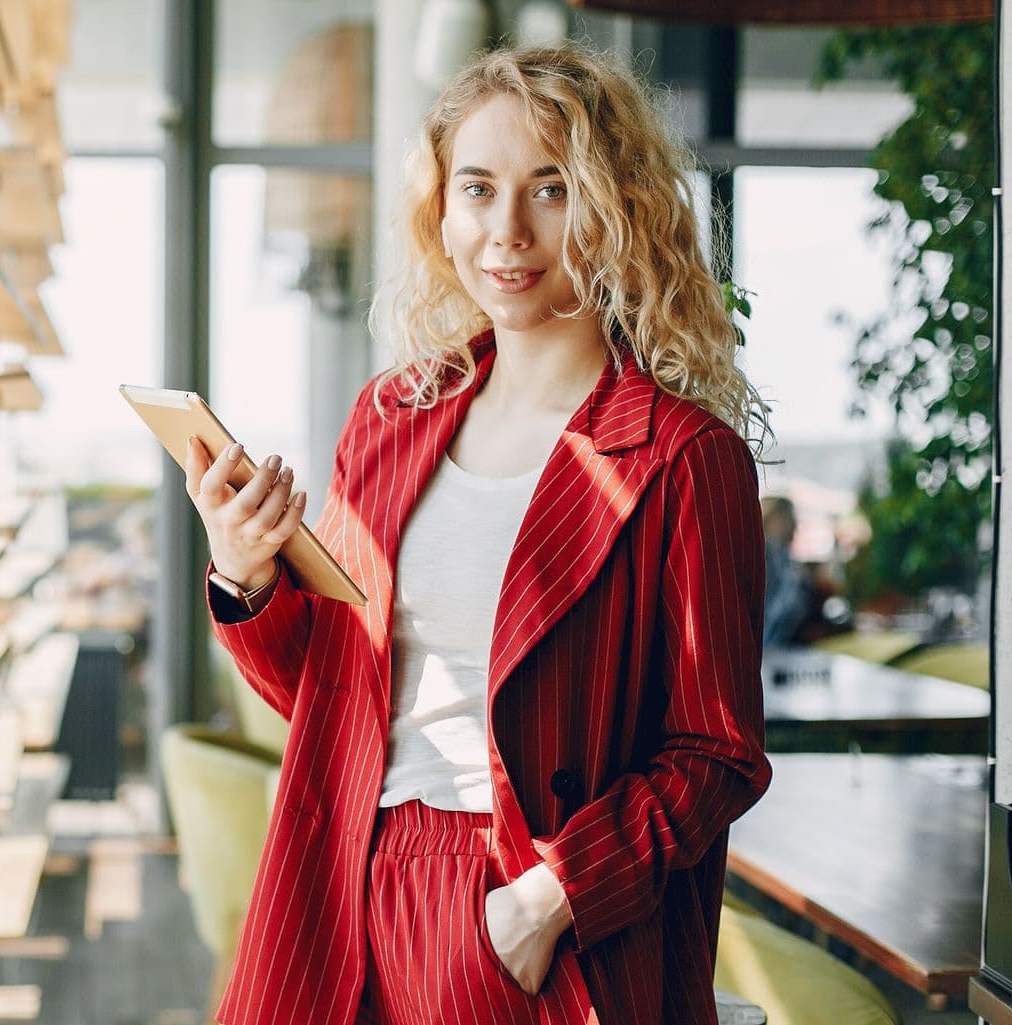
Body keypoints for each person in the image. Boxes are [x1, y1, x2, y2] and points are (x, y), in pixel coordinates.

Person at [183, 46, 773, 1025]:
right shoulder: (392, 416)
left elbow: (716, 752)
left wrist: (545, 904)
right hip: (342, 884)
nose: (507, 230)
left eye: (549, 189)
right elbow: (335, 697)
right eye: (478, 188)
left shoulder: (682, 457)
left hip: (530, 908)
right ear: (441, 212)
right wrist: (247, 581)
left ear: (614, 203)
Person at [760, 496, 809, 649]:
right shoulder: (767, 554)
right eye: (790, 518)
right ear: (775, 518)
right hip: (767, 649)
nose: (795, 527)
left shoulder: (782, 557)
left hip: (774, 649)